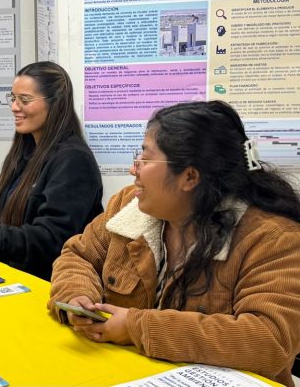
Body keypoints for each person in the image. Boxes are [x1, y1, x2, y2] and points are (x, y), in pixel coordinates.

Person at [48, 100, 300, 386]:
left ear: (189, 177)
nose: (133, 170)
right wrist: (77, 296)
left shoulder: (273, 238)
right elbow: (78, 256)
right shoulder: (128, 205)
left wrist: (137, 327)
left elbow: (269, 340)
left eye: (146, 159)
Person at [0, 61, 103, 280]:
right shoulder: (25, 150)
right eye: (13, 98)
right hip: (10, 274)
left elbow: (52, 238)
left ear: (55, 103)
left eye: (24, 100)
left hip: (49, 282)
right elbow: (1, 218)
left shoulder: (74, 160)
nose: (14, 107)